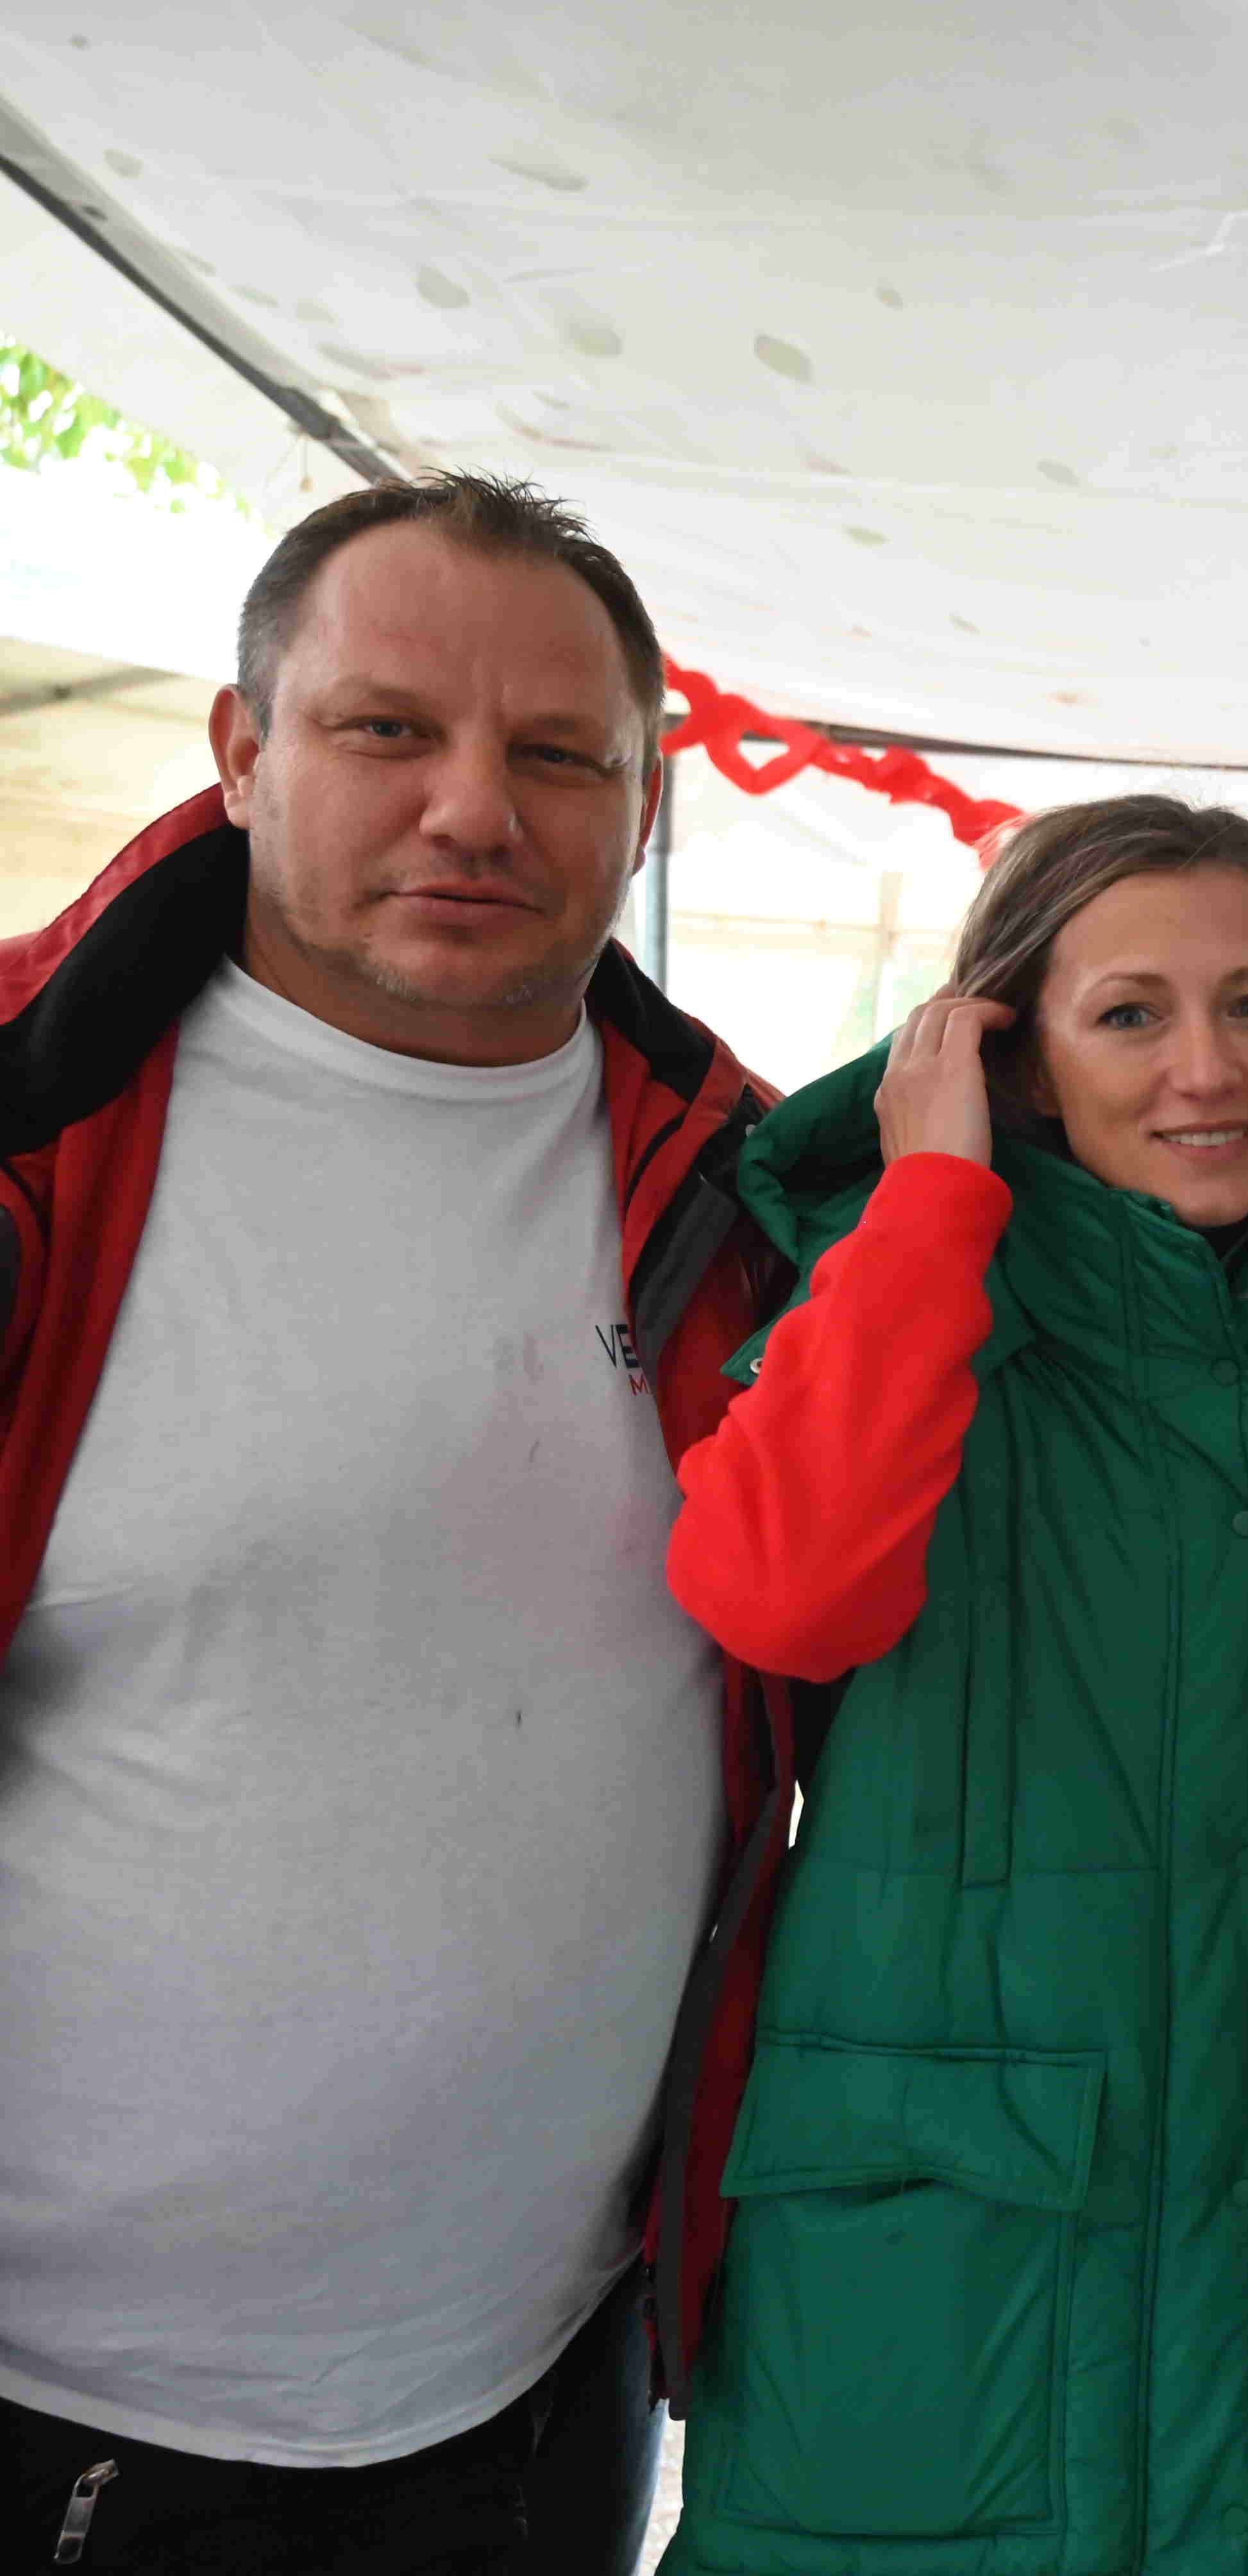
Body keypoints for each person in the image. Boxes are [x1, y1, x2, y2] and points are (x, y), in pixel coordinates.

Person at [0, 475, 789, 2571]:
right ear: (243, 752)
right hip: (57, 2403)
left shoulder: (762, 1210)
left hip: (543, 2390)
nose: (474, 809)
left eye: (556, 756)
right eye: (384, 731)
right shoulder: (24, 1140)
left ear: (648, 807)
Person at [654, 797, 1248, 2575]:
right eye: (1130, 1013)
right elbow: (778, 1597)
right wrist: (934, 1199)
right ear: (1008, 1054)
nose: (1209, 1070)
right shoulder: (908, 1307)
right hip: (949, 2276)